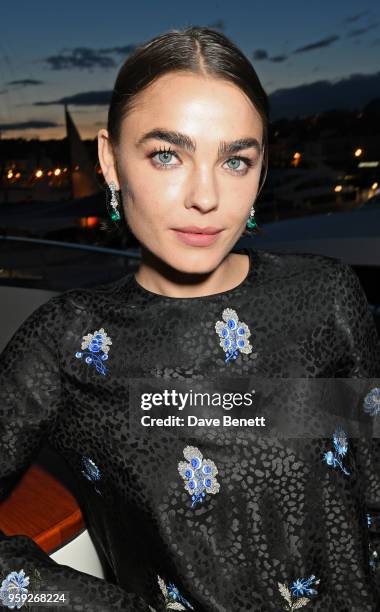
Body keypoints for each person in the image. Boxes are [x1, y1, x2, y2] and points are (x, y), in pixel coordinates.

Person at [1, 25, 380, 612]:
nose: (206, 197)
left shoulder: (326, 293)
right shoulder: (67, 342)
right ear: (110, 160)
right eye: (167, 155)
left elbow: (371, 481)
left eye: (235, 160)